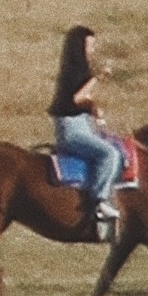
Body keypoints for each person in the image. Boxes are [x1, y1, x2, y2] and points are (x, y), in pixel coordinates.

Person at [48, 26, 121, 238]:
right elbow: (77, 98)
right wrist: (97, 78)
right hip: (72, 131)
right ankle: (99, 201)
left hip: (82, 125)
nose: (92, 50)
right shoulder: (74, 72)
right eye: (89, 45)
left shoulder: (77, 70)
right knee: (109, 154)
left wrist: (93, 108)